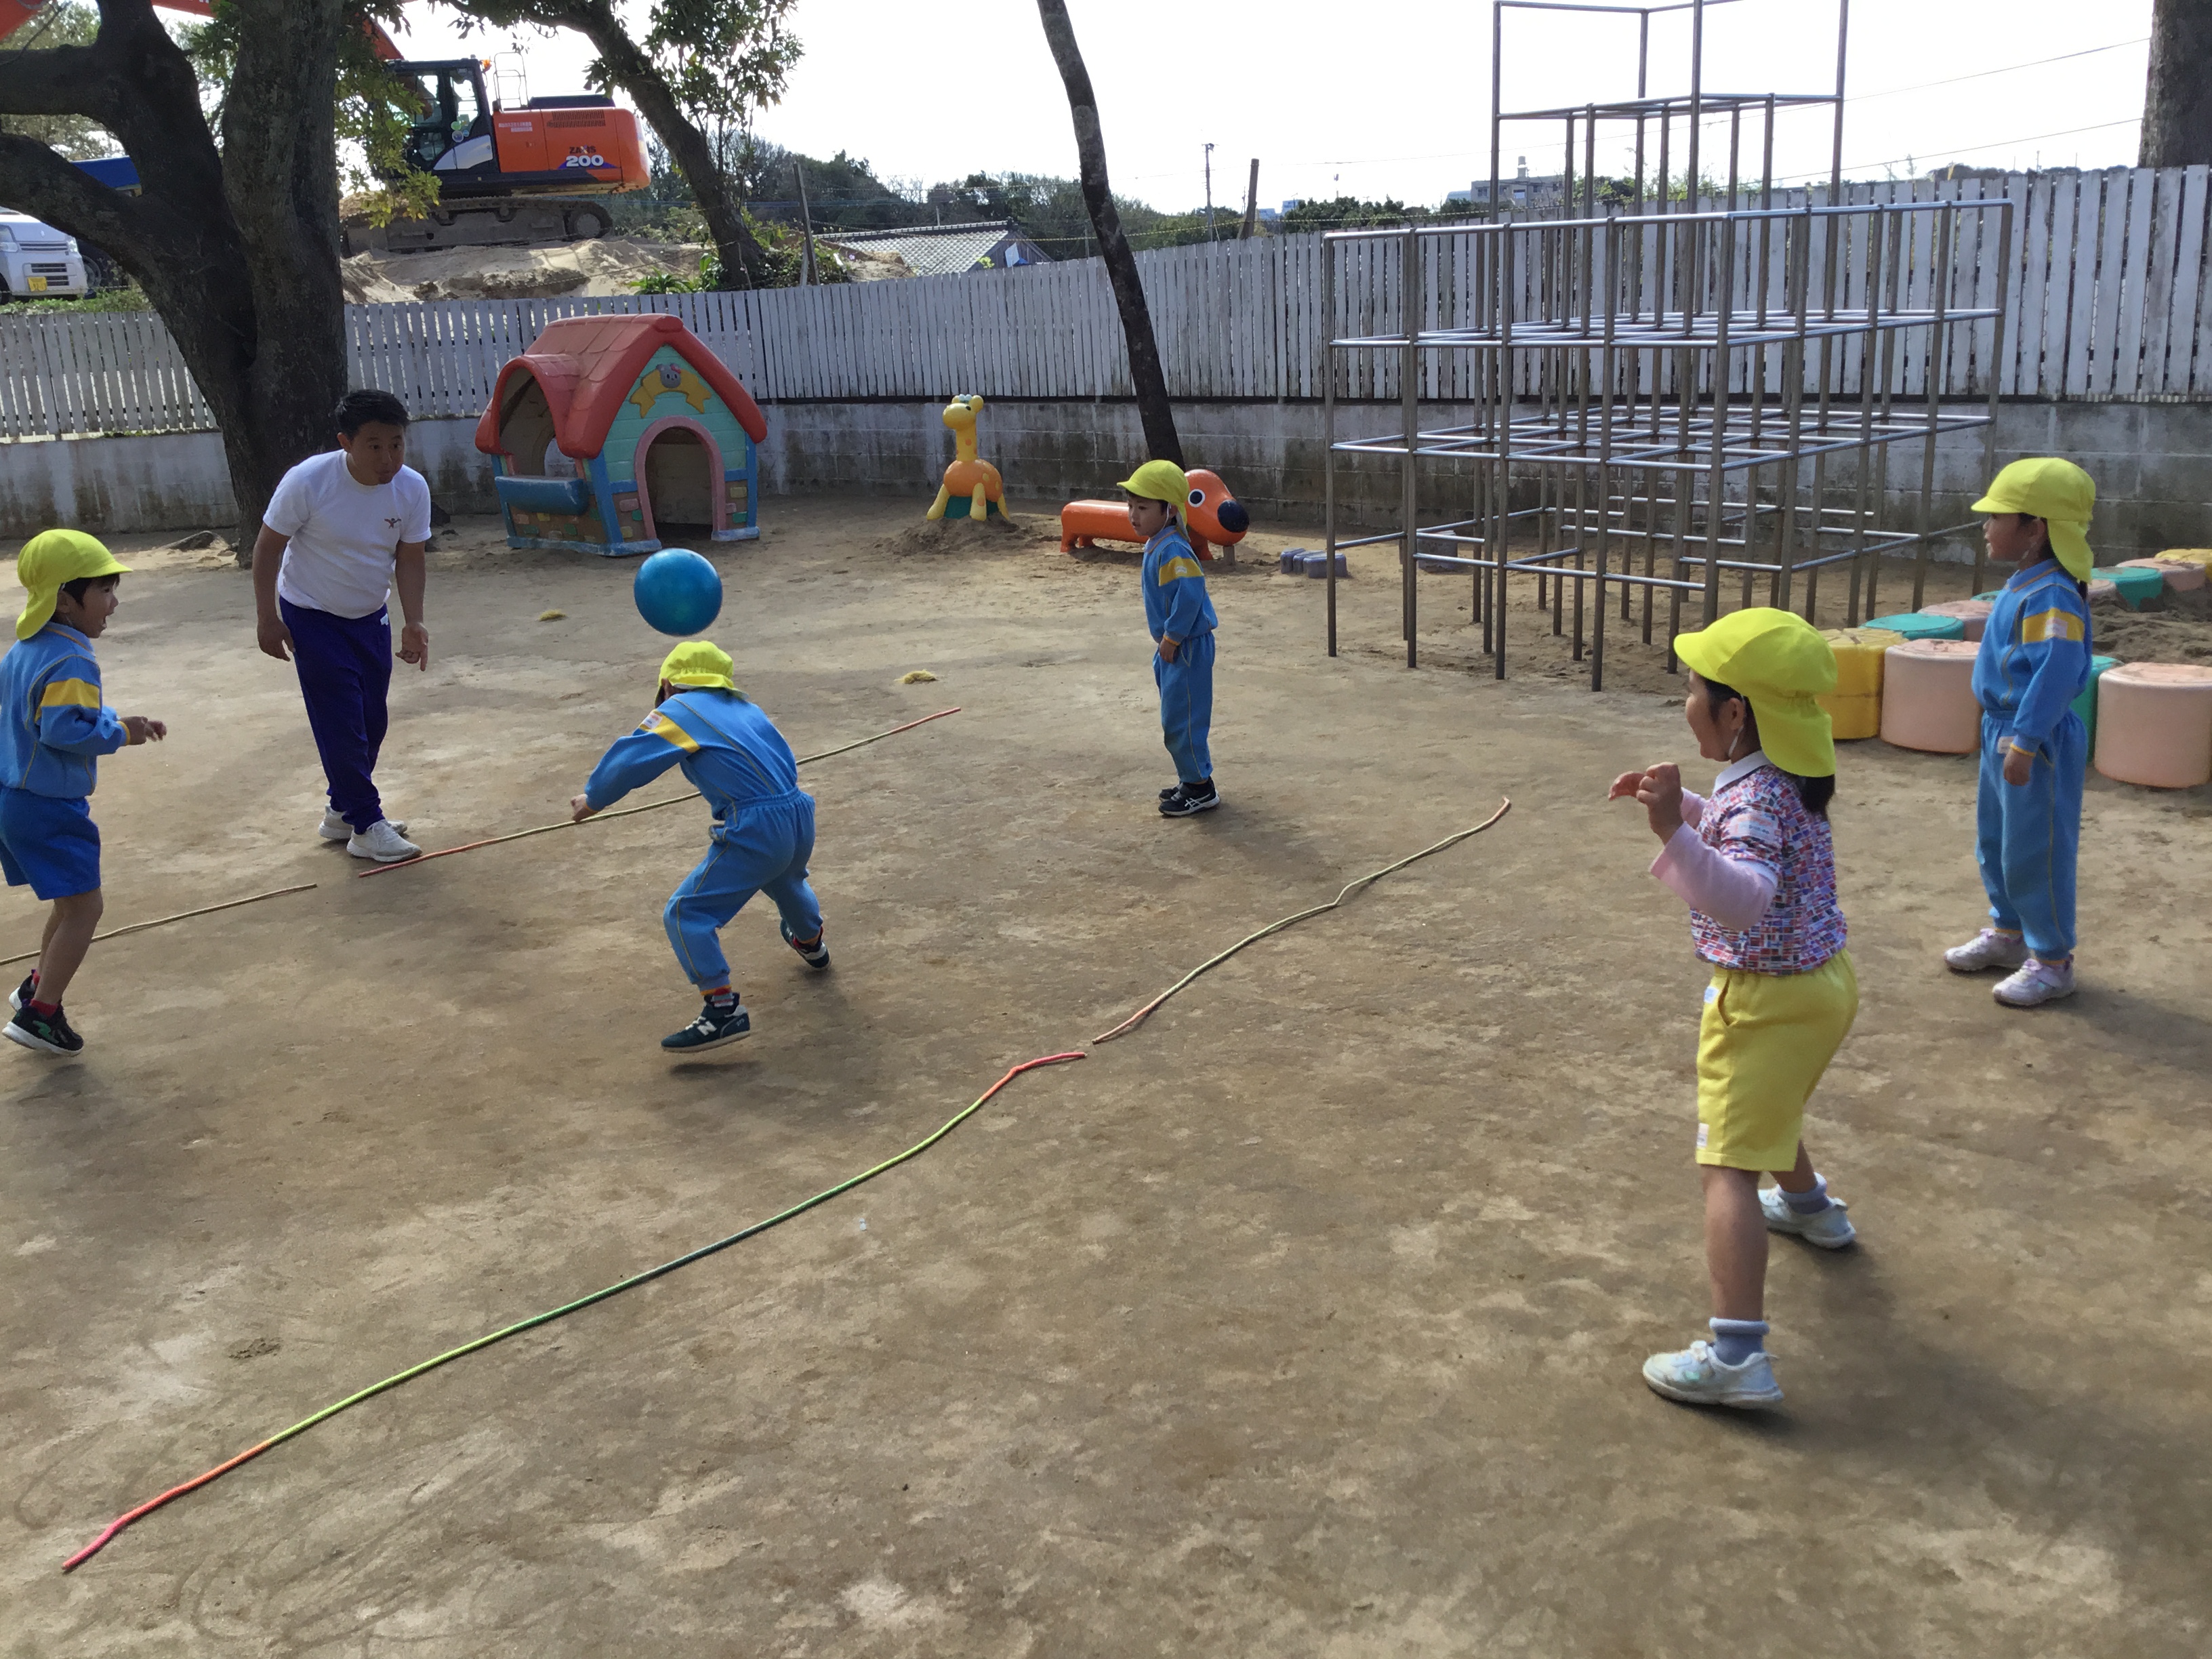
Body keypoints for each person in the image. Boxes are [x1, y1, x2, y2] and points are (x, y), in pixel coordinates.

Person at [1607, 608, 1857, 1410]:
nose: (1686, 704)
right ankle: (1814, 1211)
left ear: (1736, 712)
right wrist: (1684, 809)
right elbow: (1751, 836)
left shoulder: (1753, 798)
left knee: (1727, 1166)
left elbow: (1744, 899)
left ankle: (1737, 1356)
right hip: (1823, 987)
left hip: (1765, 999)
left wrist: (1670, 835)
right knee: (1769, 1107)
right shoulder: (1782, 775)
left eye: (1692, 690)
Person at [569, 642, 827, 1053]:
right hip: (798, 812)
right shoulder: (746, 708)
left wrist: (593, 800)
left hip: (756, 824)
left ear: (668, 684)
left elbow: (630, 760)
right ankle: (812, 943)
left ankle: (722, 1011)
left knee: (686, 913)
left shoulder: (679, 710)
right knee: (786, 880)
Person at [0, 531, 167, 1055]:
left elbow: (44, 713)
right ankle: (41, 1014)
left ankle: (37, 987)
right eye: (105, 591)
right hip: (49, 804)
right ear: (65, 601)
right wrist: (121, 733)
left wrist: (115, 719)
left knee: (70, 902)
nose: (114, 603)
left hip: (16, 798)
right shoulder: (73, 659)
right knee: (85, 908)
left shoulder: (26, 649)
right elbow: (62, 729)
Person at [251, 388, 432, 863]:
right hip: (311, 614)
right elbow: (268, 547)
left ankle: (341, 810)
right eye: (374, 446)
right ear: (345, 443)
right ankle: (366, 823)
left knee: (373, 719)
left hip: (370, 615)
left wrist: (414, 620)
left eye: (396, 444)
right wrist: (267, 618)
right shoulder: (308, 481)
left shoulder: (412, 488)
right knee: (342, 721)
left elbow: (410, 557)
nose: (387, 458)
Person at [1943, 457, 2096, 1008]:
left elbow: (2056, 672)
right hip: (2002, 729)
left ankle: (2053, 962)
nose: (1986, 527)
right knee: (1997, 840)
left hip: (2034, 737)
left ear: (2036, 529)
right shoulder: (2023, 586)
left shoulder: (2052, 596)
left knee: (2036, 848)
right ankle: (2009, 933)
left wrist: (2026, 742)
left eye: (1997, 517)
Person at [1122, 460, 1221, 818]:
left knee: (1184, 719)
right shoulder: (1158, 543)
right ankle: (1190, 778)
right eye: (1131, 506)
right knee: (1175, 715)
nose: (1133, 515)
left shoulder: (1173, 549)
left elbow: (1191, 594)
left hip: (1186, 645)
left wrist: (1173, 637)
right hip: (1174, 646)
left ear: (1171, 511)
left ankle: (1200, 789)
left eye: (1143, 508)